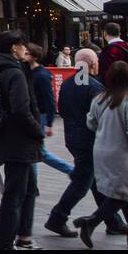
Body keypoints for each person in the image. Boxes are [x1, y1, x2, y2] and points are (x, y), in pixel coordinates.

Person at [45, 48, 128, 238]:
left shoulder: (67, 84)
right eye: (96, 61)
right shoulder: (94, 87)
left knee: (94, 181)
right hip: (89, 141)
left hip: (72, 138)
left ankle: (113, 221)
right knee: (83, 182)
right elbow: (103, 118)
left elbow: (63, 110)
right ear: (92, 64)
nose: (98, 64)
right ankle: (57, 218)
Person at [0, 30, 45, 251]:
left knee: (27, 188)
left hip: (4, 135)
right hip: (19, 140)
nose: (25, 49)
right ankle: (4, 242)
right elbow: (21, 109)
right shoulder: (14, 72)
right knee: (14, 193)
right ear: (13, 48)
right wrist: (36, 130)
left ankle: (23, 236)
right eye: (22, 45)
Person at [74, 60, 128, 249]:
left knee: (126, 194)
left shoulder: (99, 99)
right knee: (123, 195)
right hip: (122, 154)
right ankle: (91, 222)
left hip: (101, 151)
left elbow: (90, 123)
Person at [28, 43, 73, 176]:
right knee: (36, 150)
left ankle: (71, 170)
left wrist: (49, 122)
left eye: (27, 53)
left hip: (40, 114)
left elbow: (49, 99)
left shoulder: (41, 75)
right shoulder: (29, 72)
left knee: (37, 150)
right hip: (35, 114)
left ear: (34, 56)